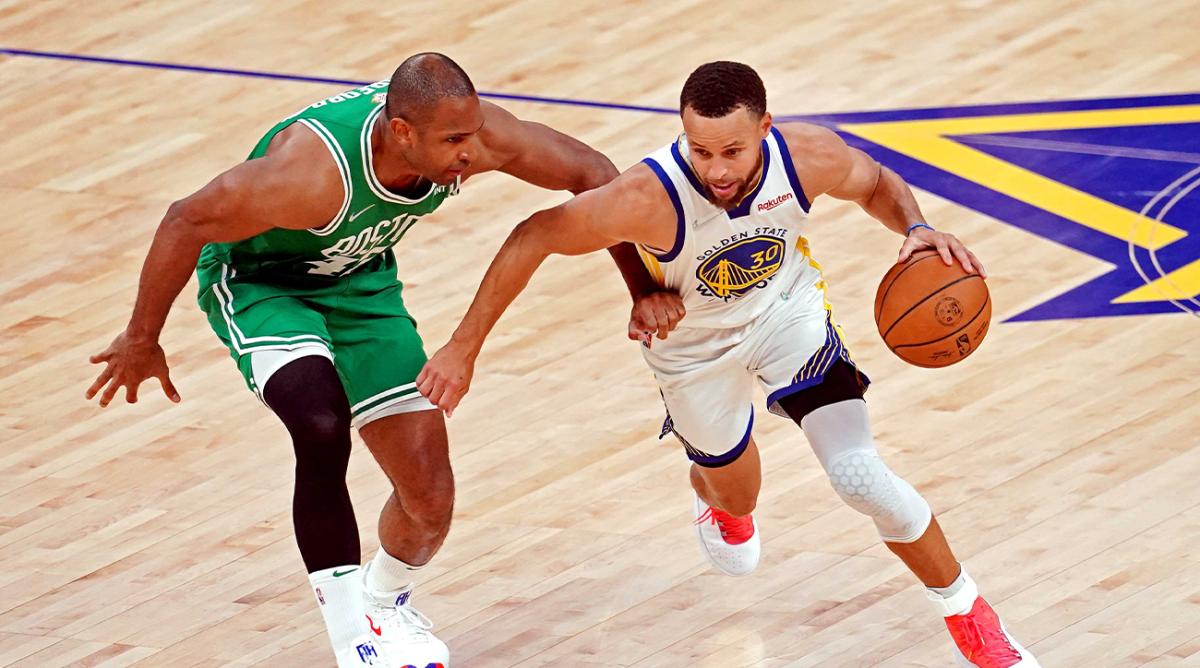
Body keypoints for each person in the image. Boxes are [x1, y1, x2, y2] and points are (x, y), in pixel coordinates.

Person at [417, 61, 1041, 668]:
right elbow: (535, 234)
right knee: (739, 493)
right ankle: (713, 495)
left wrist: (915, 228)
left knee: (860, 476)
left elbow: (874, 181)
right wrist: (462, 347)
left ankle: (971, 616)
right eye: (701, 150)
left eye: (732, 152)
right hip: (693, 351)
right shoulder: (647, 195)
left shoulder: (807, 156)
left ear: (766, 128)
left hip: (787, 320)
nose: (715, 170)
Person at [85, 52, 667, 668]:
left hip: (361, 286)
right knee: (319, 420)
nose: (470, 153)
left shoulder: (475, 135)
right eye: (452, 141)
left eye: (472, 133)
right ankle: (353, 637)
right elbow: (185, 219)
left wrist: (641, 289)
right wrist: (141, 337)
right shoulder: (309, 177)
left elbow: (599, 177)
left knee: (429, 501)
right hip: (264, 285)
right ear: (401, 133)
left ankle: (382, 602)